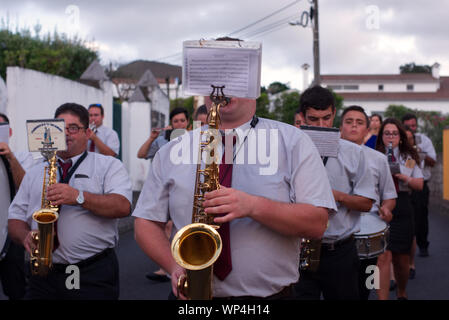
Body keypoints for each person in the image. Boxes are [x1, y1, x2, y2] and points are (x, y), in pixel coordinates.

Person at [133, 90, 337, 299]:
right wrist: (172, 265)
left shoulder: (294, 141)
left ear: (254, 86)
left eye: (234, 78)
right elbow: (146, 222)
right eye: (216, 80)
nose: (223, 89)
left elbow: (317, 224)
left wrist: (253, 206)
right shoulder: (172, 149)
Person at [8, 103, 132, 299]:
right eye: (60, 128)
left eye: (73, 128)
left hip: (91, 272)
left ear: (88, 132)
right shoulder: (35, 171)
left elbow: (123, 206)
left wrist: (79, 197)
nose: (66, 134)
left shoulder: (108, 165)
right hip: (43, 273)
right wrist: (24, 236)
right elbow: (15, 218)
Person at [294, 86, 376, 300]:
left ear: (334, 115)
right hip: (297, 247)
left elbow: (367, 203)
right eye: (313, 119)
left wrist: (334, 195)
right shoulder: (290, 150)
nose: (321, 126)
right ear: (302, 117)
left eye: (326, 118)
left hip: (338, 249)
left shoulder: (354, 153)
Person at [338, 106, 397, 300]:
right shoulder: (326, 157)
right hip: (336, 229)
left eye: (359, 122)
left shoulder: (379, 159)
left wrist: (386, 209)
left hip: (369, 230)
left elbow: (389, 195)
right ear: (340, 127)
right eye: (349, 121)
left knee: (364, 286)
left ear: (367, 130)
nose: (354, 126)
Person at [136, 107, 189, 282]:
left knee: (170, 226)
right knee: (162, 225)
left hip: (180, 189)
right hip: (160, 189)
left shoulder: (194, 140)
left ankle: (172, 265)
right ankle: (168, 265)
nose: (179, 123)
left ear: (187, 123)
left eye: (182, 120)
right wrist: (153, 137)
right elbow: (141, 154)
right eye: (176, 121)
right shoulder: (162, 140)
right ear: (171, 124)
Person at [376, 118, 423, 300]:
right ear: (381, 136)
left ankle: (402, 291)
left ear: (400, 137)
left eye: (394, 133)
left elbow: (418, 183)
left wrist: (402, 175)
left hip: (402, 203)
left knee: (401, 259)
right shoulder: (374, 155)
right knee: (382, 256)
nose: (390, 137)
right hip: (380, 204)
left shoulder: (408, 158)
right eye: (387, 133)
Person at [0, 113, 31, 300]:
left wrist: (10, 157)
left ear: (9, 131)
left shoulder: (22, 157)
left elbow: (26, 186)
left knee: (16, 289)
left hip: (10, 234)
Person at [401, 113, 436, 258]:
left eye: (414, 126)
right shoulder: (398, 140)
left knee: (421, 216)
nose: (412, 128)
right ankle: (404, 247)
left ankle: (423, 245)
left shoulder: (424, 140)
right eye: (408, 126)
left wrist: (419, 153)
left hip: (421, 184)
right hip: (403, 185)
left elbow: (433, 162)